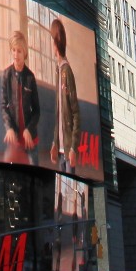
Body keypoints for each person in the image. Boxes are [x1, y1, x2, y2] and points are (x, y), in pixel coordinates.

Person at [1, 29, 40, 165]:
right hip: (14, 140)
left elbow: (37, 111)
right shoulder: (6, 75)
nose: (16, 55)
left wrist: (29, 129)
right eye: (13, 50)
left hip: (30, 140)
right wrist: (9, 128)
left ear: (25, 53)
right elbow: (3, 106)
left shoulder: (30, 77)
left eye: (19, 51)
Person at [50, 18, 81, 173]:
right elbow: (58, 114)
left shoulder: (66, 71)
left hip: (69, 152)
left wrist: (74, 147)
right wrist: (55, 142)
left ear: (56, 44)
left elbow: (75, 112)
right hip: (61, 151)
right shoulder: (58, 71)